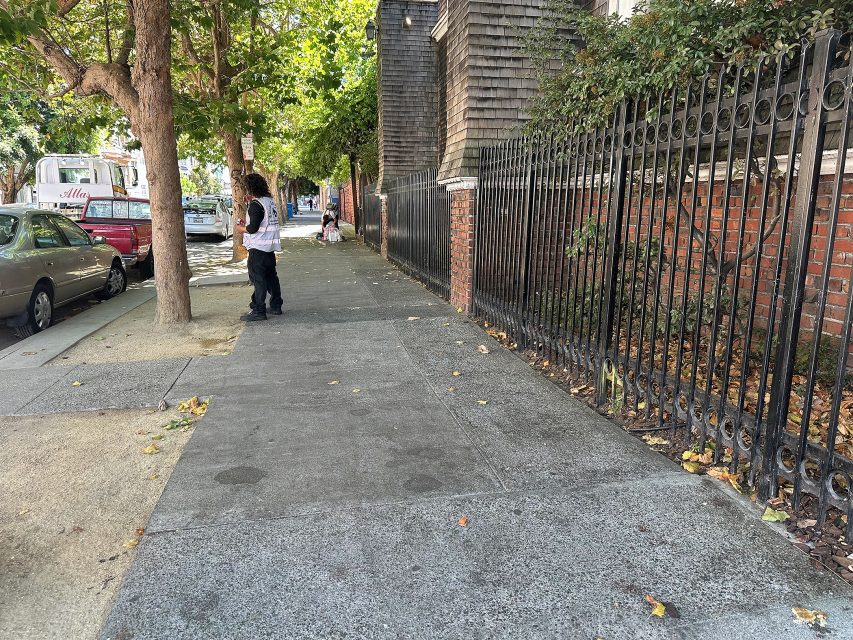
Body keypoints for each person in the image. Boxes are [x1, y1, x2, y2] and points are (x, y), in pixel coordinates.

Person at [234, 174, 283, 321]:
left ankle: (259, 310)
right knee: (271, 278)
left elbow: (253, 228)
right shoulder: (269, 201)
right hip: (269, 247)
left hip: (258, 248)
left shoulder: (256, 205)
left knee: (258, 280)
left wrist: (240, 228)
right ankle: (276, 305)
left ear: (250, 188)